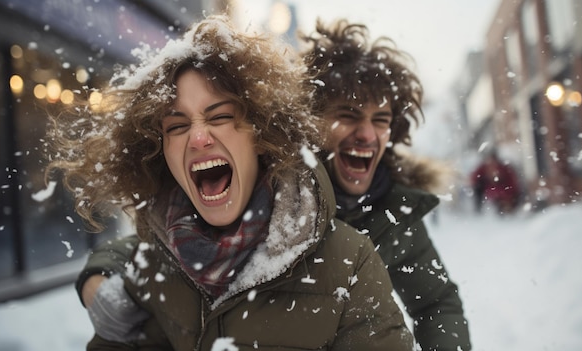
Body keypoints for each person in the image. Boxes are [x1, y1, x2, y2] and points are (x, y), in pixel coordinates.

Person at [76, 18, 471, 351]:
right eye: (348, 115)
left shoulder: (387, 217)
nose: (367, 134)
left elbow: (437, 303)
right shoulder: (271, 185)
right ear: (310, 121)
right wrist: (100, 272)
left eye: (381, 120)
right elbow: (161, 241)